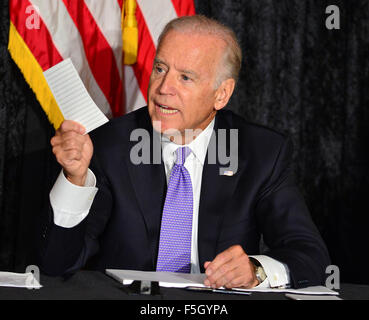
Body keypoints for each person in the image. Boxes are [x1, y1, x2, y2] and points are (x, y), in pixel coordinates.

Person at [39, 15, 330, 289]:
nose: (164, 88)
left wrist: (256, 270)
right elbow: (55, 265)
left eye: (185, 78)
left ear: (222, 94)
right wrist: (75, 179)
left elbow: (311, 256)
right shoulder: (110, 144)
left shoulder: (261, 153)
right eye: (160, 68)